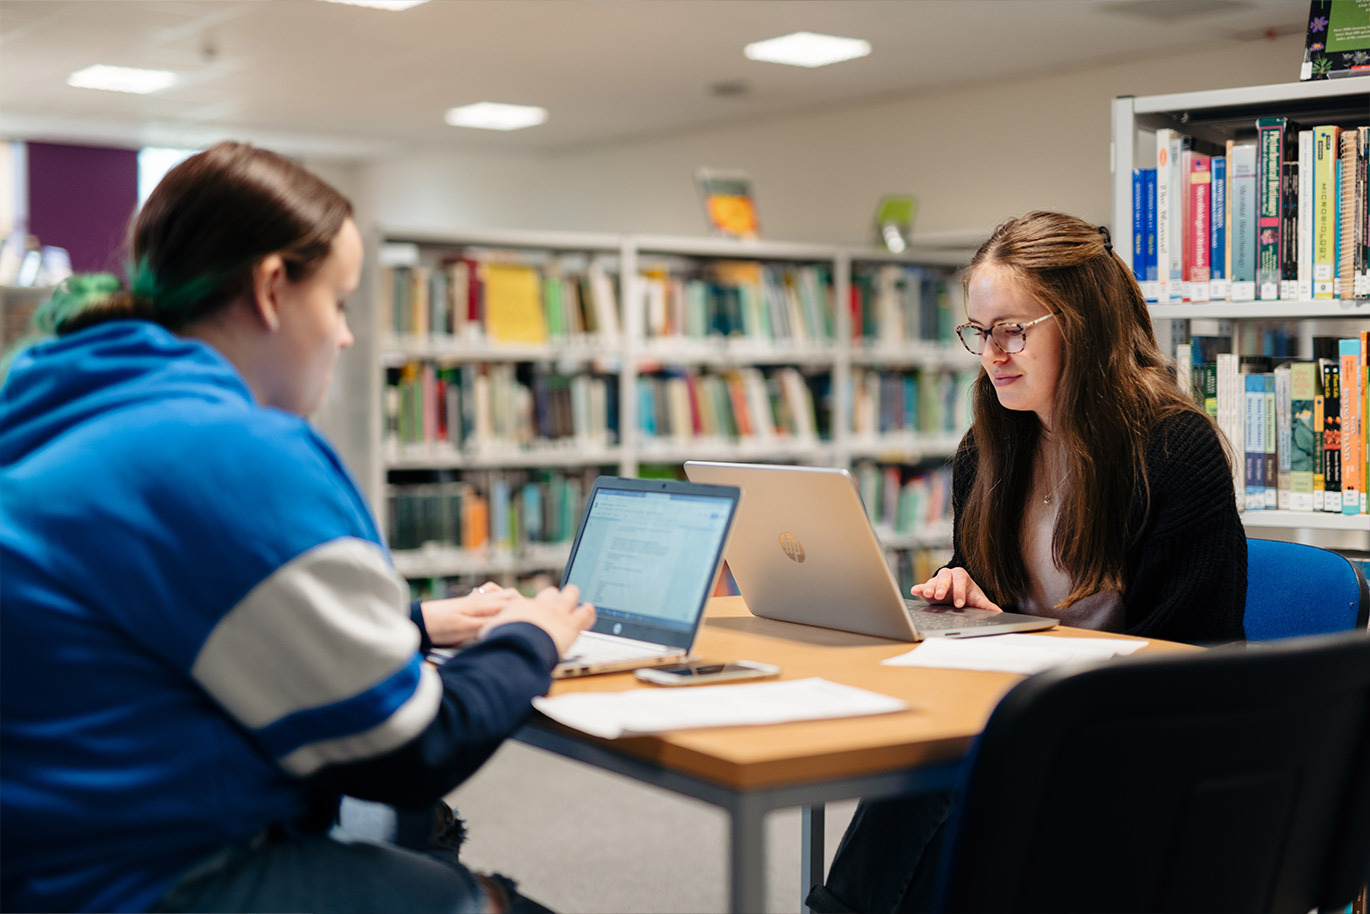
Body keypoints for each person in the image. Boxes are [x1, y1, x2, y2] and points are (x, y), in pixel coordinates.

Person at [0, 141, 595, 914]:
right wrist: (534, 635)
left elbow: (162, 623)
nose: (346, 337)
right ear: (273, 288)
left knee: (415, 833)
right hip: (140, 882)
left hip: (37, 856)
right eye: (340, 302)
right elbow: (412, 749)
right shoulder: (232, 448)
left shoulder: (61, 402)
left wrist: (414, 624)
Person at [807, 210, 1246, 913]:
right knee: (933, 779)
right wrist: (963, 593)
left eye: (1013, 329)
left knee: (947, 786)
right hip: (1019, 718)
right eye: (979, 333)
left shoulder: (1172, 450)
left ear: (1085, 323)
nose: (993, 353)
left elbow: (1191, 659)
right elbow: (987, 589)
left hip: (1132, 741)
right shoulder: (987, 450)